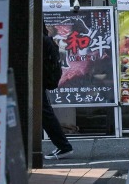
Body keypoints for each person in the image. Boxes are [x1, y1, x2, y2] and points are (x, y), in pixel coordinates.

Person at [42, 24, 72, 160]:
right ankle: (63, 146)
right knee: (44, 113)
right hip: (41, 80)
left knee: (44, 113)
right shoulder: (46, 39)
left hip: (36, 81)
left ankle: (64, 146)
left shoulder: (40, 40)